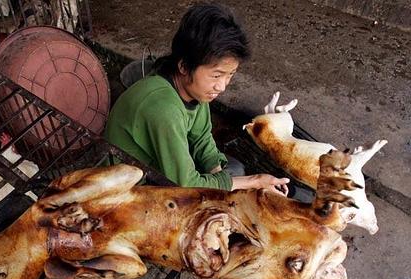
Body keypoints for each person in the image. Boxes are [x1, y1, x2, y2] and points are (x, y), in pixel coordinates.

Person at [105, 3, 295, 196]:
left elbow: (202, 140)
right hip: (127, 190)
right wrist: (252, 181)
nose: (222, 86)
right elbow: (185, 184)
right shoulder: (163, 108)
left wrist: (220, 174)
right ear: (184, 66)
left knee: (234, 170)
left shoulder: (194, 92)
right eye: (216, 75)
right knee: (227, 185)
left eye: (230, 75)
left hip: (158, 169)